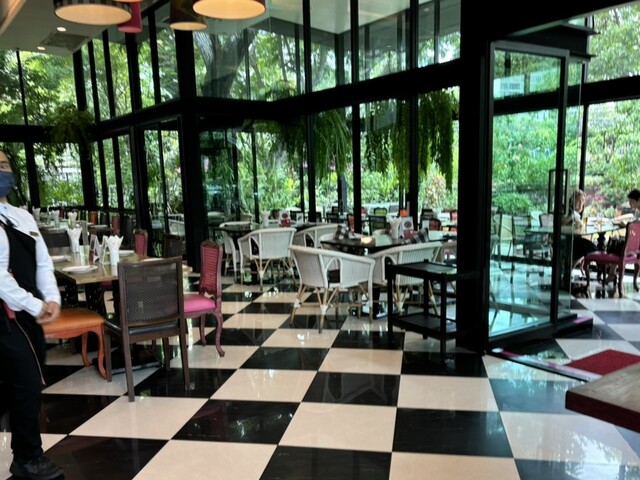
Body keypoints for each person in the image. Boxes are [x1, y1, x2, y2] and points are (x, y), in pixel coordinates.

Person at [0, 151, 63, 480]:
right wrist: (36, 305)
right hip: (5, 316)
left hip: (28, 313)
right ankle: (27, 457)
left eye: (4, 165)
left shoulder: (22, 217)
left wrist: (52, 298)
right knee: (25, 382)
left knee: (25, 382)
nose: (2, 171)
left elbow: (43, 263)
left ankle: (25, 453)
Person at [565, 189, 597, 259]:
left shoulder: (575, 213)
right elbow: (562, 221)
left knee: (592, 247)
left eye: (583, 201)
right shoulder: (568, 211)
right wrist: (573, 215)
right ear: (573, 200)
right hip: (567, 243)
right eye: (579, 200)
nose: (581, 203)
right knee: (592, 248)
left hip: (574, 241)